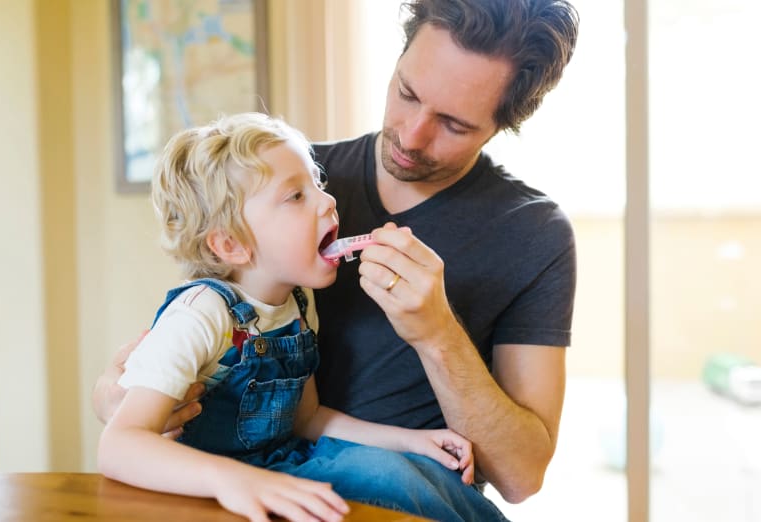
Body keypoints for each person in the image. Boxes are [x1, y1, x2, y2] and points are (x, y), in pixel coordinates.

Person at [95, 0, 580, 518]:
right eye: (407, 92)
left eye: (454, 124)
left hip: (397, 491)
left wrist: (437, 334)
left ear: (503, 123)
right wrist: (115, 395)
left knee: (392, 473)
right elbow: (165, 373)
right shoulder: (279, 178)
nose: (412, 135)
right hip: (249, 489)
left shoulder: (533, 234)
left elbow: (521, 476)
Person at [98, 112, 488, 522]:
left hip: (284, 466)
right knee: (388, 482)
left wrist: (409, 442)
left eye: (316, 184)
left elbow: (308, 419)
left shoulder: (297, 304)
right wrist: (231, 480)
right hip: (206, 496)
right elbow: (119, 444)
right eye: (296, 196)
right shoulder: (199, 316)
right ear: (231, 244)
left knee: (407, 474)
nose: (328, 200)